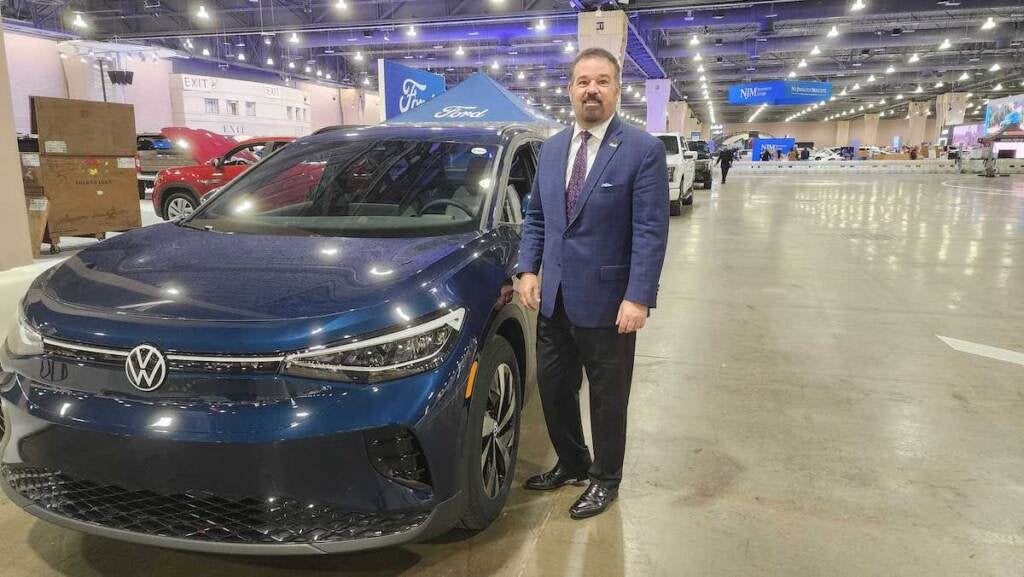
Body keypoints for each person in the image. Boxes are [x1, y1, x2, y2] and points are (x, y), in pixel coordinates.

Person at [516, 47, 669, 520]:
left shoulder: (642, 150)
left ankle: (606, 479)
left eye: (602, 81)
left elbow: (649, 230)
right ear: (570, 89)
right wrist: (528, 269)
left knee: (607, 398)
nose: (592, 90)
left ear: (617, 89)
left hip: (609, 304)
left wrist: (638, 297)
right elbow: (537, 218)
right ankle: (573, 462)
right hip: (554, 298)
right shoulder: (553, 148)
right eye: (583, 81)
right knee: (555, 390)